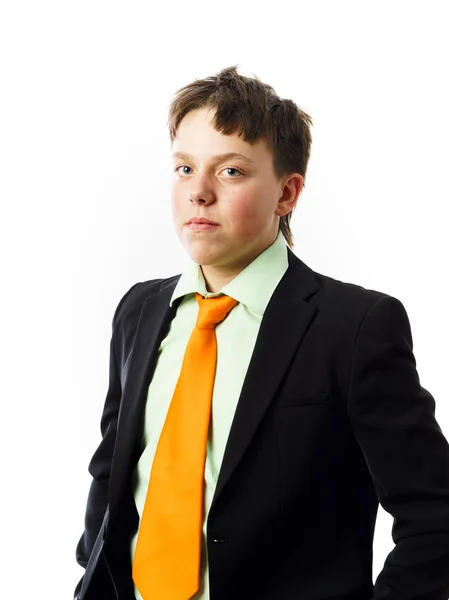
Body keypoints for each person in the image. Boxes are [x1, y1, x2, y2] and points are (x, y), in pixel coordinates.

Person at [74, 65, 449, 600]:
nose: (198, 192)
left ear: (287, 193)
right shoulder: (140, 310)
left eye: (230, 172)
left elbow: (435, 519)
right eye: (184, 168)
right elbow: (112, 471)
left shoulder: (354, 326)